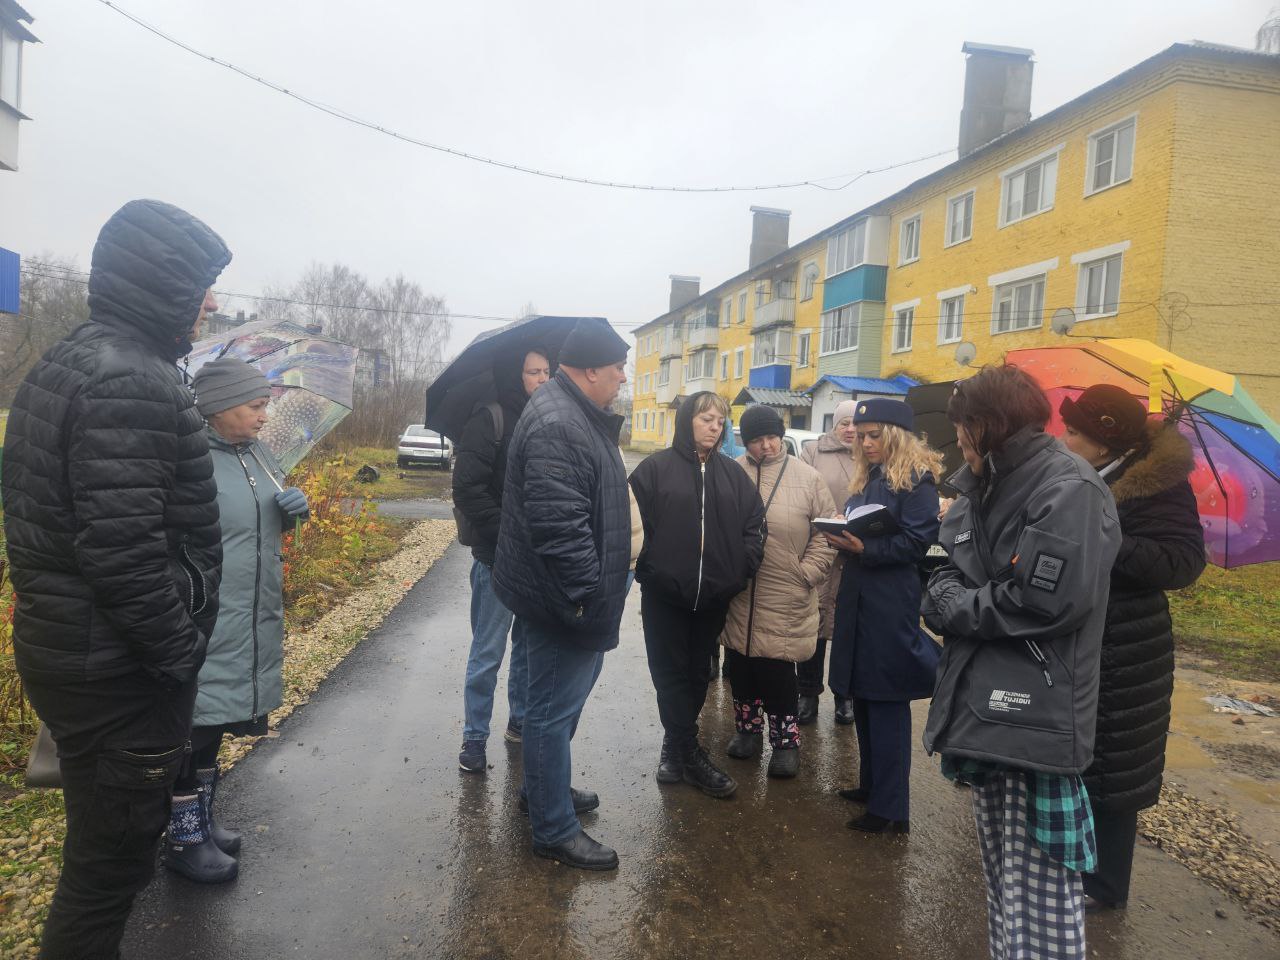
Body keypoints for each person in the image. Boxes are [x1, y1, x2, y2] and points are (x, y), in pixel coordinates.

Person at [2, 200, 230, 957]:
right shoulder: (130, 379)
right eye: (201, 285)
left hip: (78, 653)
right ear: (162, 283)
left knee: (99, 856)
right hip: (119, 671)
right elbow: (123, 554)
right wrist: (179, 656)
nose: (211, 303)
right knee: (108, 871)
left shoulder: (77, 359)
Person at [922, 365, 1121, 960]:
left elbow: (1041, 600)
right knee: (1005, 886)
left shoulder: (1070, 489)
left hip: (1036, 714)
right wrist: (947, 592)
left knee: (1041, 895)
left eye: (962, 427)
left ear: (985, 425)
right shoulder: (984, 483)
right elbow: (944, 565)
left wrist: (954, 605)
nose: (957, 439)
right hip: (986, 707)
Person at [154, 357, 310, 883]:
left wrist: (290, 511)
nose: (265, 416)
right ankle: (183, 838)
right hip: (206, 614)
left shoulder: (257, 454)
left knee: (217, 720)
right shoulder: (188, 458)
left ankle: (203, 821)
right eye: (256, 406)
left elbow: (254, 528)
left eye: (266, 405)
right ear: (219, 407)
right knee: (193, 723)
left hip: (249, 611)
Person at [1059, 384, 1206, 910]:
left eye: (1073, 432)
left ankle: (1105, 887)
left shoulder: (1158, 488)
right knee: (1076, 756)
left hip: (1127, 645)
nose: (1063, 439)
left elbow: (1181, 564)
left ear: (1104, 441)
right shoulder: (1086, 474)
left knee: (1113, 766)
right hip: (1082, 636)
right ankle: (1071, 866)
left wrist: (1104, 535)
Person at [492, 318, 631, 871]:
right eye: (618, 366)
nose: (623, 376)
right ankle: (553, 829)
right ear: (590, 370)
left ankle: (542, 790)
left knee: (544, 707)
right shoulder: (560, 423)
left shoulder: (569, 411)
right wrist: (587, 596)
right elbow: (560, 527)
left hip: (553, 596)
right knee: (551, 712)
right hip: (563, 602)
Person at [630, 392, 764, 799]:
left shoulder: (733, 475)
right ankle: (688, 753)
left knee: (695, 673)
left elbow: (755, 526)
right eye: (706, 419)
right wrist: (650, 568)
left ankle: (675, 748)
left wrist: (740, 568)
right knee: (668, 674)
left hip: (714, 596)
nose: (714, 427)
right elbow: (631, 526)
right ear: (687, 420)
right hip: (665, 595)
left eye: (720, 422)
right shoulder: (654, 470)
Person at [825, 398, 942, 833]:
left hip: (890, 601)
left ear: (894, 435)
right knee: (864, 693)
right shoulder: (870, 475)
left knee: (886, 698)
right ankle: (872, 784)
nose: (866, 443)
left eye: (875, 435)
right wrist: (840, 528)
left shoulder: (917, 480)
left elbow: (917, 543)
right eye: (862, 436)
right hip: (859, 594)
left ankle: (891, 811)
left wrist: (865, 547)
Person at [721, 405, 835, 778]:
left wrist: (807, 573)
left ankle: (786, 744)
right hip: (740, 591)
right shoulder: (731, 472)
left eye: (772, 437)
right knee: (740, 664)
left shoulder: (808, 478)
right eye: (757, 440)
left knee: (778, 670)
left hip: (786, 590)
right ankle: (747, 731)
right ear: (745, 441)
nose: (766, 446)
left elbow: (826, 534)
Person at [452, 348, 551, 774]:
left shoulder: (548, 420)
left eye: (547, 371)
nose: (542, 379)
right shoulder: (489, 419)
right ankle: (474, 738)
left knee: (528, 649)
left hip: (536, 562)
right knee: (487, 653)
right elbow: (467, 489)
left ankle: (519, 723)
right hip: (496, 559)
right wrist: (508, 531)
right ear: (515, 375)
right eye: (533, 371)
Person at [798, 400, 858, 726]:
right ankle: (807, 692)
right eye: (844, 423)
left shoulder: (870, 453)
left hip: (854, 552)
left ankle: (844, 696)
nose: (851, 429)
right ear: (834, 425)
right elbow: (801, 493)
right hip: (820, 547)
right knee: (815, 625)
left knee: (848, 628)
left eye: (855, 423)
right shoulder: (813, 451)